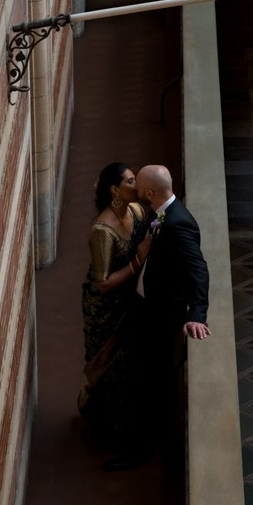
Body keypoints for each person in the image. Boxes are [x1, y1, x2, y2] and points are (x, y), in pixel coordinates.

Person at [106, 164, 209, 471]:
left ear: (149, 193)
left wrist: (198, 314)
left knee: (150, 384)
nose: (135, 190)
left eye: (138, 186)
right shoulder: (160, 212)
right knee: (145, 379)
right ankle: (152, 444)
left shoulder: (178, 223)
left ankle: (144, 451)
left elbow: (198, 270)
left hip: (161, 318)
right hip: (146, 307)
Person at [79, 162, 145, 448]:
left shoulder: (139, 211)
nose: (137, 184)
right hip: (105, 310)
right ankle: (108, 426)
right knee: (109, 365)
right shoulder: (102, 231)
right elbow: (103, 282)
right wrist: (136, 261)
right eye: (131, 180)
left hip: (131, 299)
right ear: (115, 190)